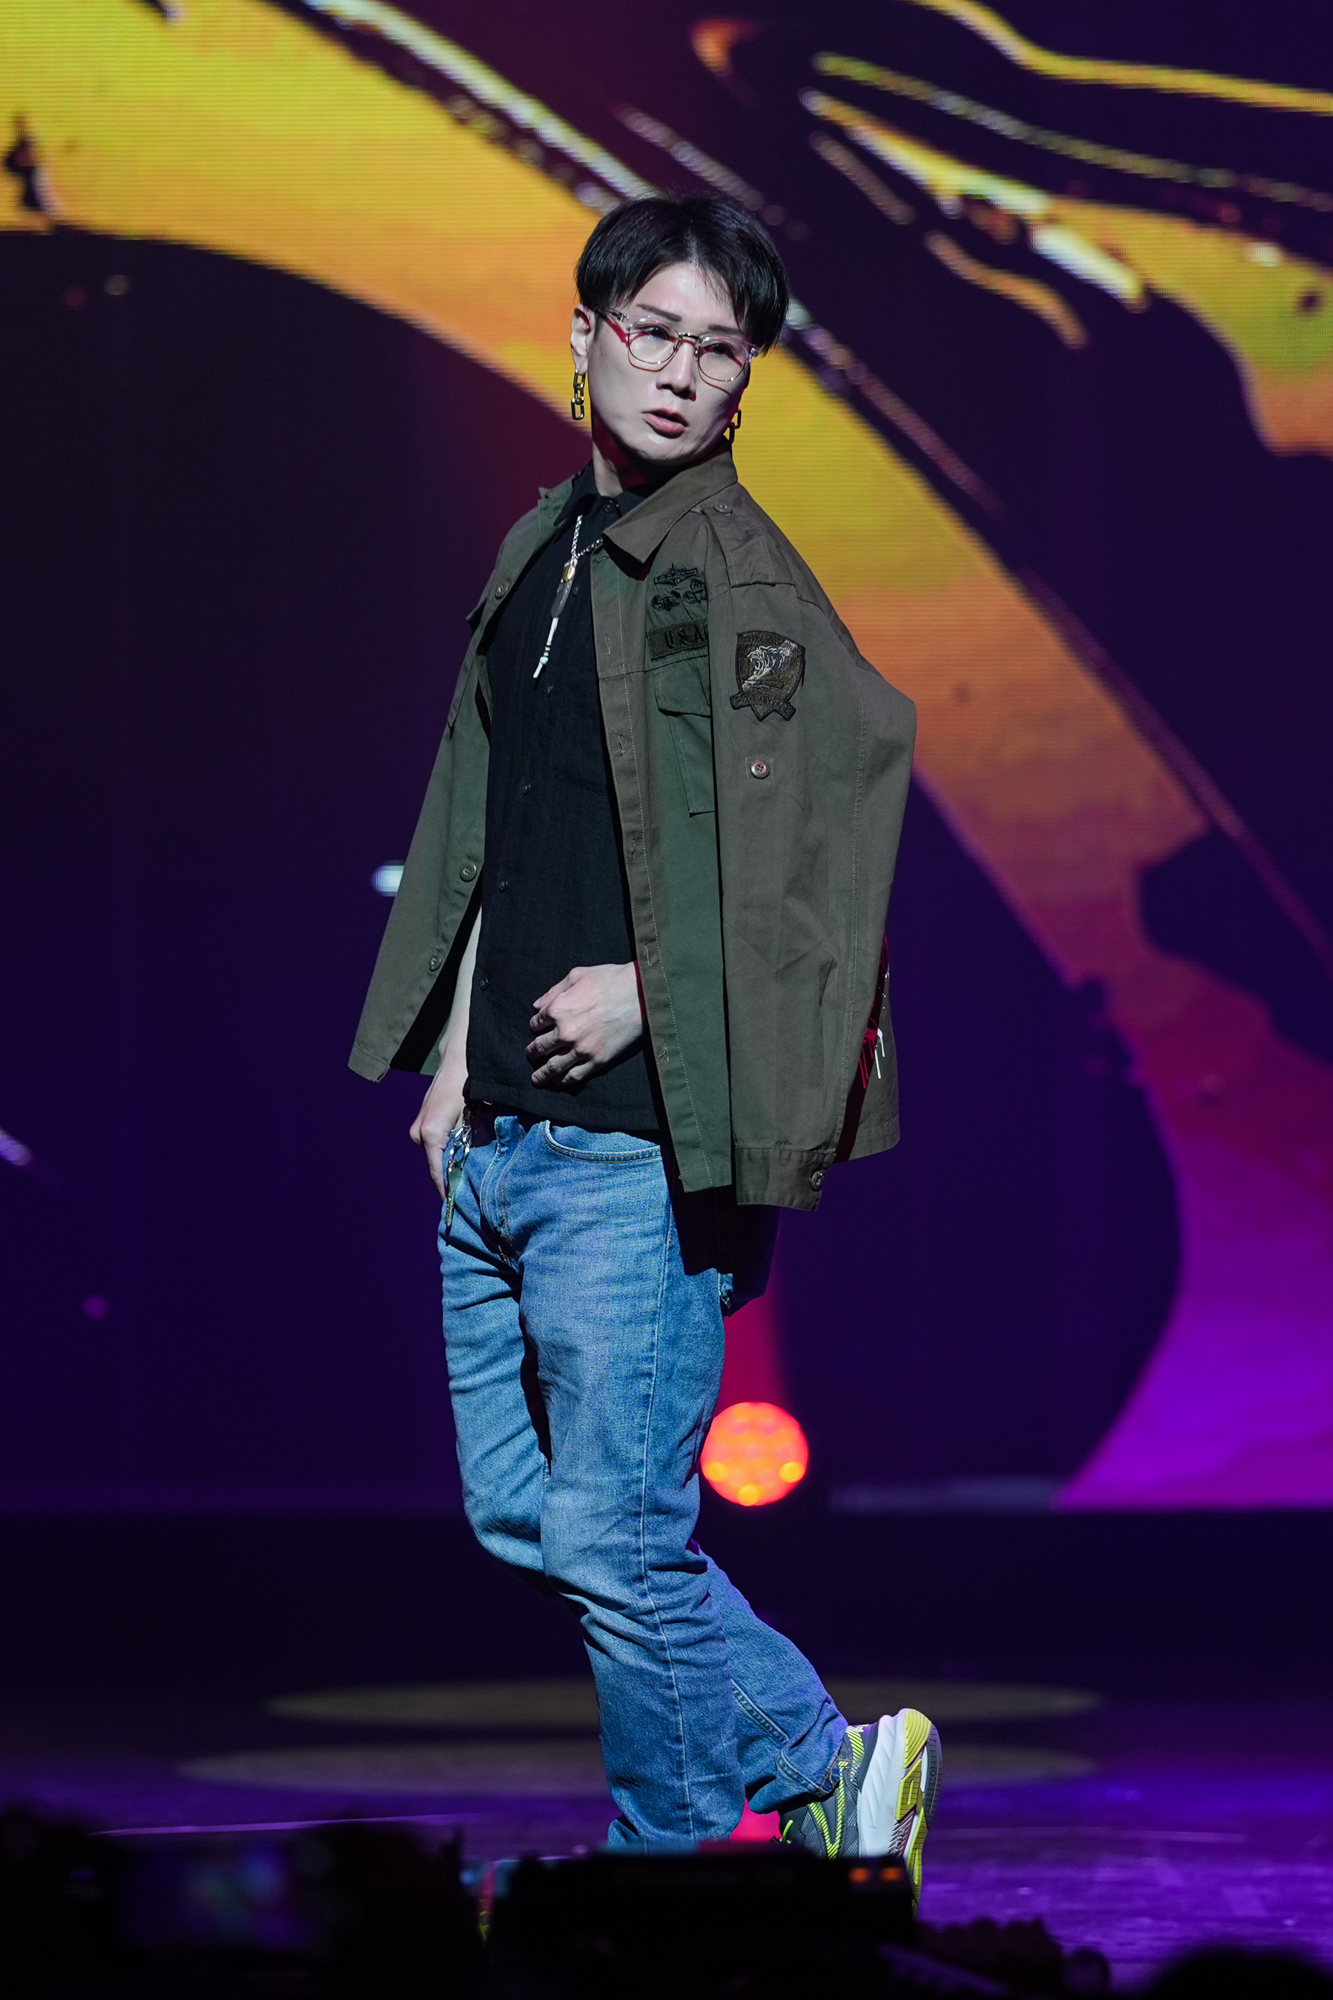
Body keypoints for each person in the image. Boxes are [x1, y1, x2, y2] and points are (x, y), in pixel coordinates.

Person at [350, 194, 937, 1880]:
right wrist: (453, 1060)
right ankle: (827, 1766)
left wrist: (647, 988)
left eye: (719, 351)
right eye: (654, 333)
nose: (681, 374)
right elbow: (499, 822)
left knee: (617, 1533)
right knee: (530, 1517)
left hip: (638, 1141)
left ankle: (669, 1876)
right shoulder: (545, 545)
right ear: (585, 334)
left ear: (746, 382)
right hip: (502, 1129)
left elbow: (825, 852)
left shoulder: (737, 583)